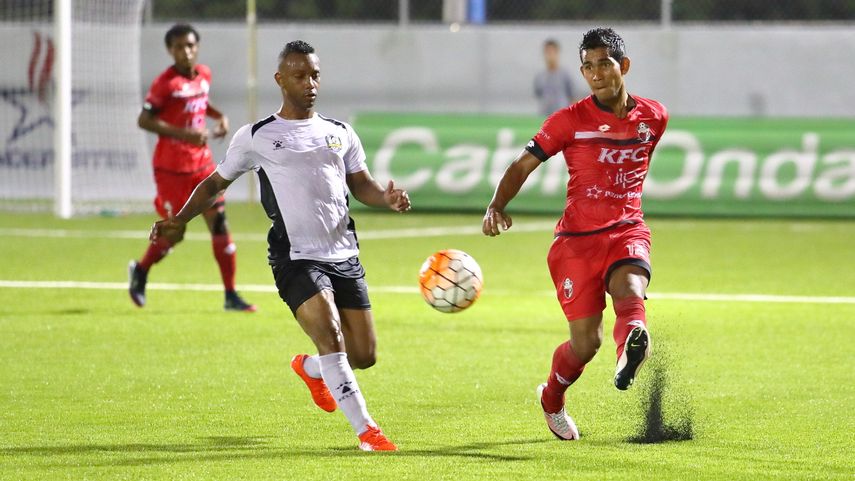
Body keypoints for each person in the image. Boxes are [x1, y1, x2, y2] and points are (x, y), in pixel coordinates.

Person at [150, 40, 411, 452]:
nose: (310, 83)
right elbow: (215, 183)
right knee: (331, 337)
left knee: (365, 355)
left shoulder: (339, 132)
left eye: (315, 75)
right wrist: (179, 219)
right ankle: (368, 432)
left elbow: (362, 185)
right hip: (295, 256)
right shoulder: (256, 136)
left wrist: (387, 198)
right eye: (300, 75)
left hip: (343, 252)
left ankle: (311, 369)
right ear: (280, 79)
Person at [483, 27, 667, 440]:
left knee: (631, 291)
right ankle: (551, 399)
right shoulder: (569, 120)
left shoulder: (654, 116)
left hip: (626, 229)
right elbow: (522, 165)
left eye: (605, 63)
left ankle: (629, 351)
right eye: (588, 66)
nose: (597, 73)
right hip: (576, 244)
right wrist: (497, 205)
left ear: (624, 65)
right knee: (585, 344)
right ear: (582, 72)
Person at [129, 23, 256, 312]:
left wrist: (219, 116)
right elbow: (144, 120)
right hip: (171, 169)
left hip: (202, 165)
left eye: (190, 46)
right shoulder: (165, 83)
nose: (185, 52)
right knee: (175, 232)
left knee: (220, 225)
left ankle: (230, 295)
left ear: (196, 47)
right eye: (178, 47)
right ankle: (141, 270)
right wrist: (184, 134)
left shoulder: (204, 75)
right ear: (170, 50)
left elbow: (200, 102)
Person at [534, 38, 576, 116]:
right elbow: (538, 94)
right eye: (548, 52)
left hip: (561, 116)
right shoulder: (540, 77)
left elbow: (572, 96)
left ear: (557, 53)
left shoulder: (565, 75)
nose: (550, 55)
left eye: (553, 52)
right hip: (544, 115)